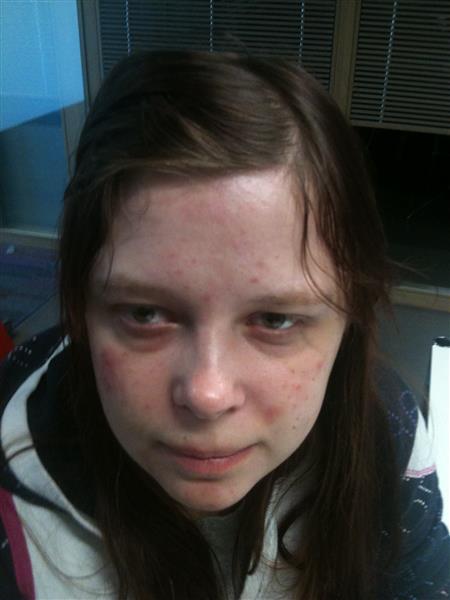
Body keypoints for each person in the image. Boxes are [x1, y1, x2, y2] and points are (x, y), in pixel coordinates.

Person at [0, 51, 449, 600]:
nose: (207, 394)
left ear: (349, 316)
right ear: (80, 308)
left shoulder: (385, 431)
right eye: (145, 314)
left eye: (275, 319)